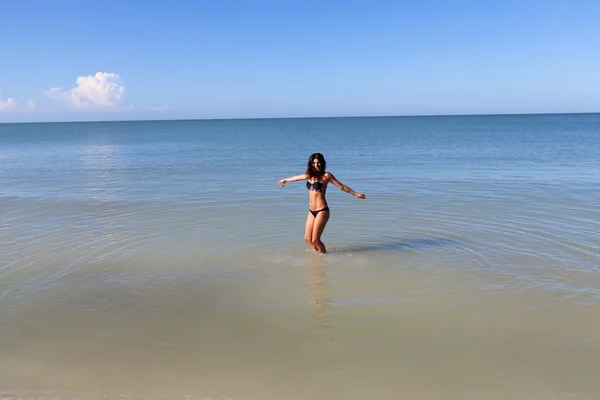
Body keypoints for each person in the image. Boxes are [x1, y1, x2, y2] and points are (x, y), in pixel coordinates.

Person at [277, 153, 366, 254]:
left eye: (318, 163)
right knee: (308, 239)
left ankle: (324, 257)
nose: (316, 165)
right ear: (311, 164)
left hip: (322, 210)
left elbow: (341, 186)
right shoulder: (308, 176)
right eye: (314, 163)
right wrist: (285, 180)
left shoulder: (326, 176)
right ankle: (316, 258)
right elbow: (296, 178)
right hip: (311, 211)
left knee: (316, 240)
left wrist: (356, 194)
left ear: (322, 163)